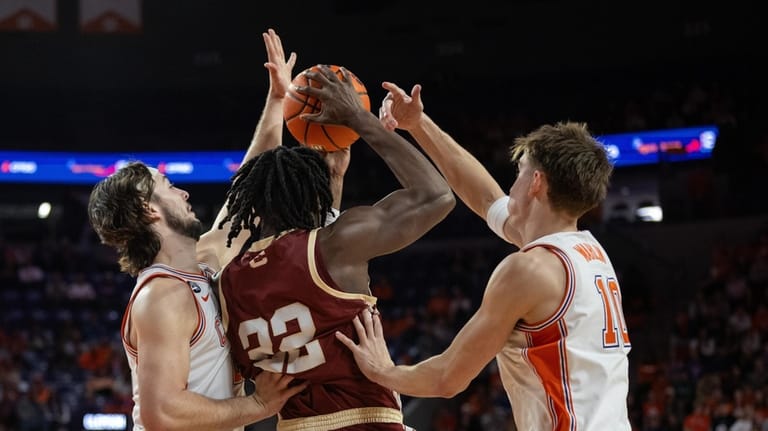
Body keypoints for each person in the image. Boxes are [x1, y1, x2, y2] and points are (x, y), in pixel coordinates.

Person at [336, 81, 632, 430]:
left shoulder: (529, 270)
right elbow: (484, 197)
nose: (511, 186)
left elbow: (448, 378)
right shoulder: (588, 251)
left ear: (536, 182)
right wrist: (418, 123)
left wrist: (382, 371)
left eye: (519, 173)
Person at [86, 29, 323, 430]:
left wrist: (277, 100)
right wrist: (258, 406)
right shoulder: (162, 295)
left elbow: (246, 190)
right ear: (150, 210)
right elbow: (160, 413)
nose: (183, 192)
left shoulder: (203, 264)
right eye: (168, 187)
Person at [216, 66, 455, 430]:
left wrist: (332, 187)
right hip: (367, 420)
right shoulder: (335, 245)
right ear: (315, 195)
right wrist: (358, 118)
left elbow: (298, 265)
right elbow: (436, 197)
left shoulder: (227, 282)